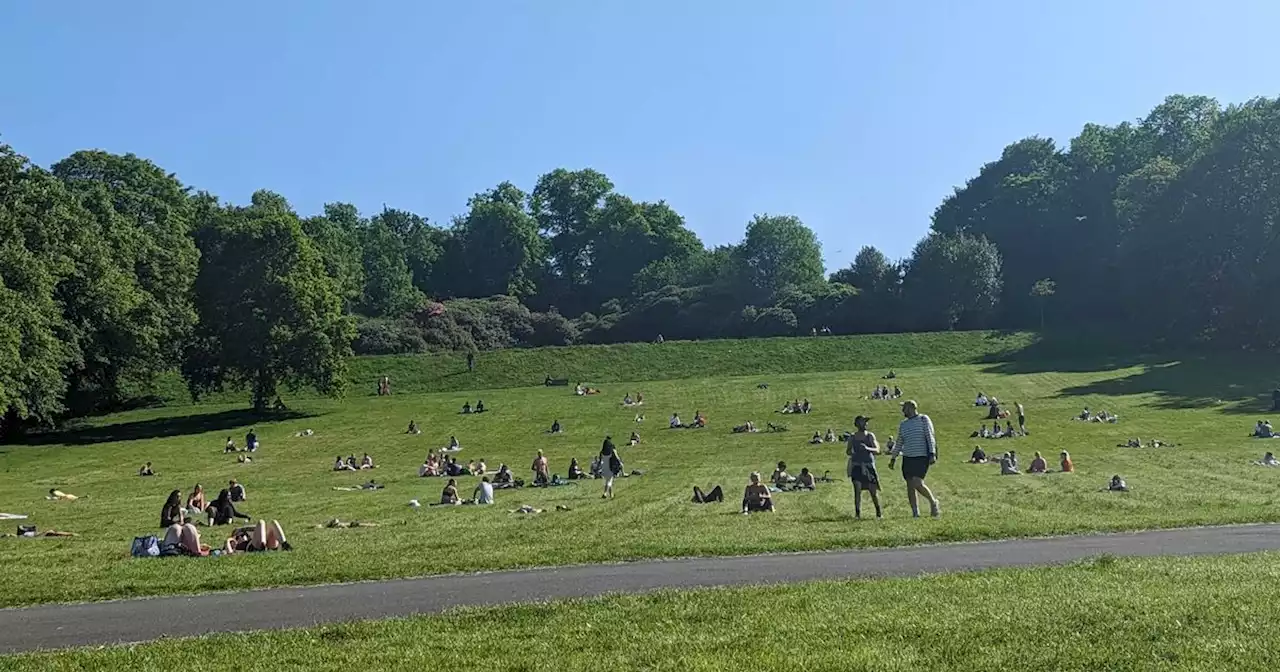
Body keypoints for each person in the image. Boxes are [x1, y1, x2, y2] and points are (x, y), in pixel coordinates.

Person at [888, 400, 940, 518]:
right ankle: (915, 513)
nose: (902, 411)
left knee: (917, 483)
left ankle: (933, 502)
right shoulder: (903, 424)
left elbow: (929, 436)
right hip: (908, 458)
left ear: (911, 408)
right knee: (910, 485)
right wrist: (893, 458)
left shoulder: (923, 419)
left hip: (921, 456)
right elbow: (900, 442)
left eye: (904, 408)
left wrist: (932, 453)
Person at [846, 415, 883, 518]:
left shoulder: (870, 436)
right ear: (857, 424)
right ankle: (857, 514)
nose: (866, 424)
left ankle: (878, 513)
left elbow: (877, 450)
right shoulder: (852, 437)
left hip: (868, 466)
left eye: (866, 422)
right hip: (856, 465)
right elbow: (848, 451)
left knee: (873, 491)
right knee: (857, 490)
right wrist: (852, 452)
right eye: (863, 422)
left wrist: (867, 448)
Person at [226, 520, 292, 553]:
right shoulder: (235, 545)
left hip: (264, 544)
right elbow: (230, 554)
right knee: (261, 522)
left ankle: (284, 544)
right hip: (253, 548)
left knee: (273, 522)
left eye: (241, 535)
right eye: (238, 537)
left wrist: (242, 529)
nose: (241, 537)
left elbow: (259, 527)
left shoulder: (249, 537)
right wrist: (228, 540)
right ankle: (262, 546)